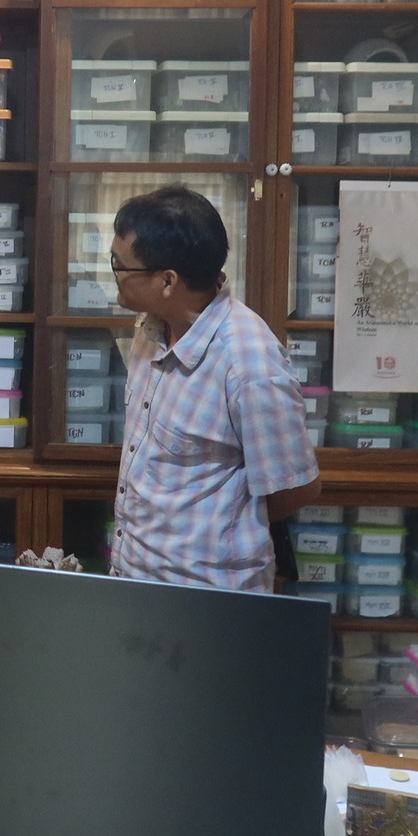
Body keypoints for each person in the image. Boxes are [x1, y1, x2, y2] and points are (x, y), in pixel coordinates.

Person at [106, 184, 322, 591]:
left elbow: (295, 488)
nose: (114, 274)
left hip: (209, 598)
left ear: (167, 280)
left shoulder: (248, 362)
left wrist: (225, 526)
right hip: (137, 581)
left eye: (120, 266)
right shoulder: (151, 326)